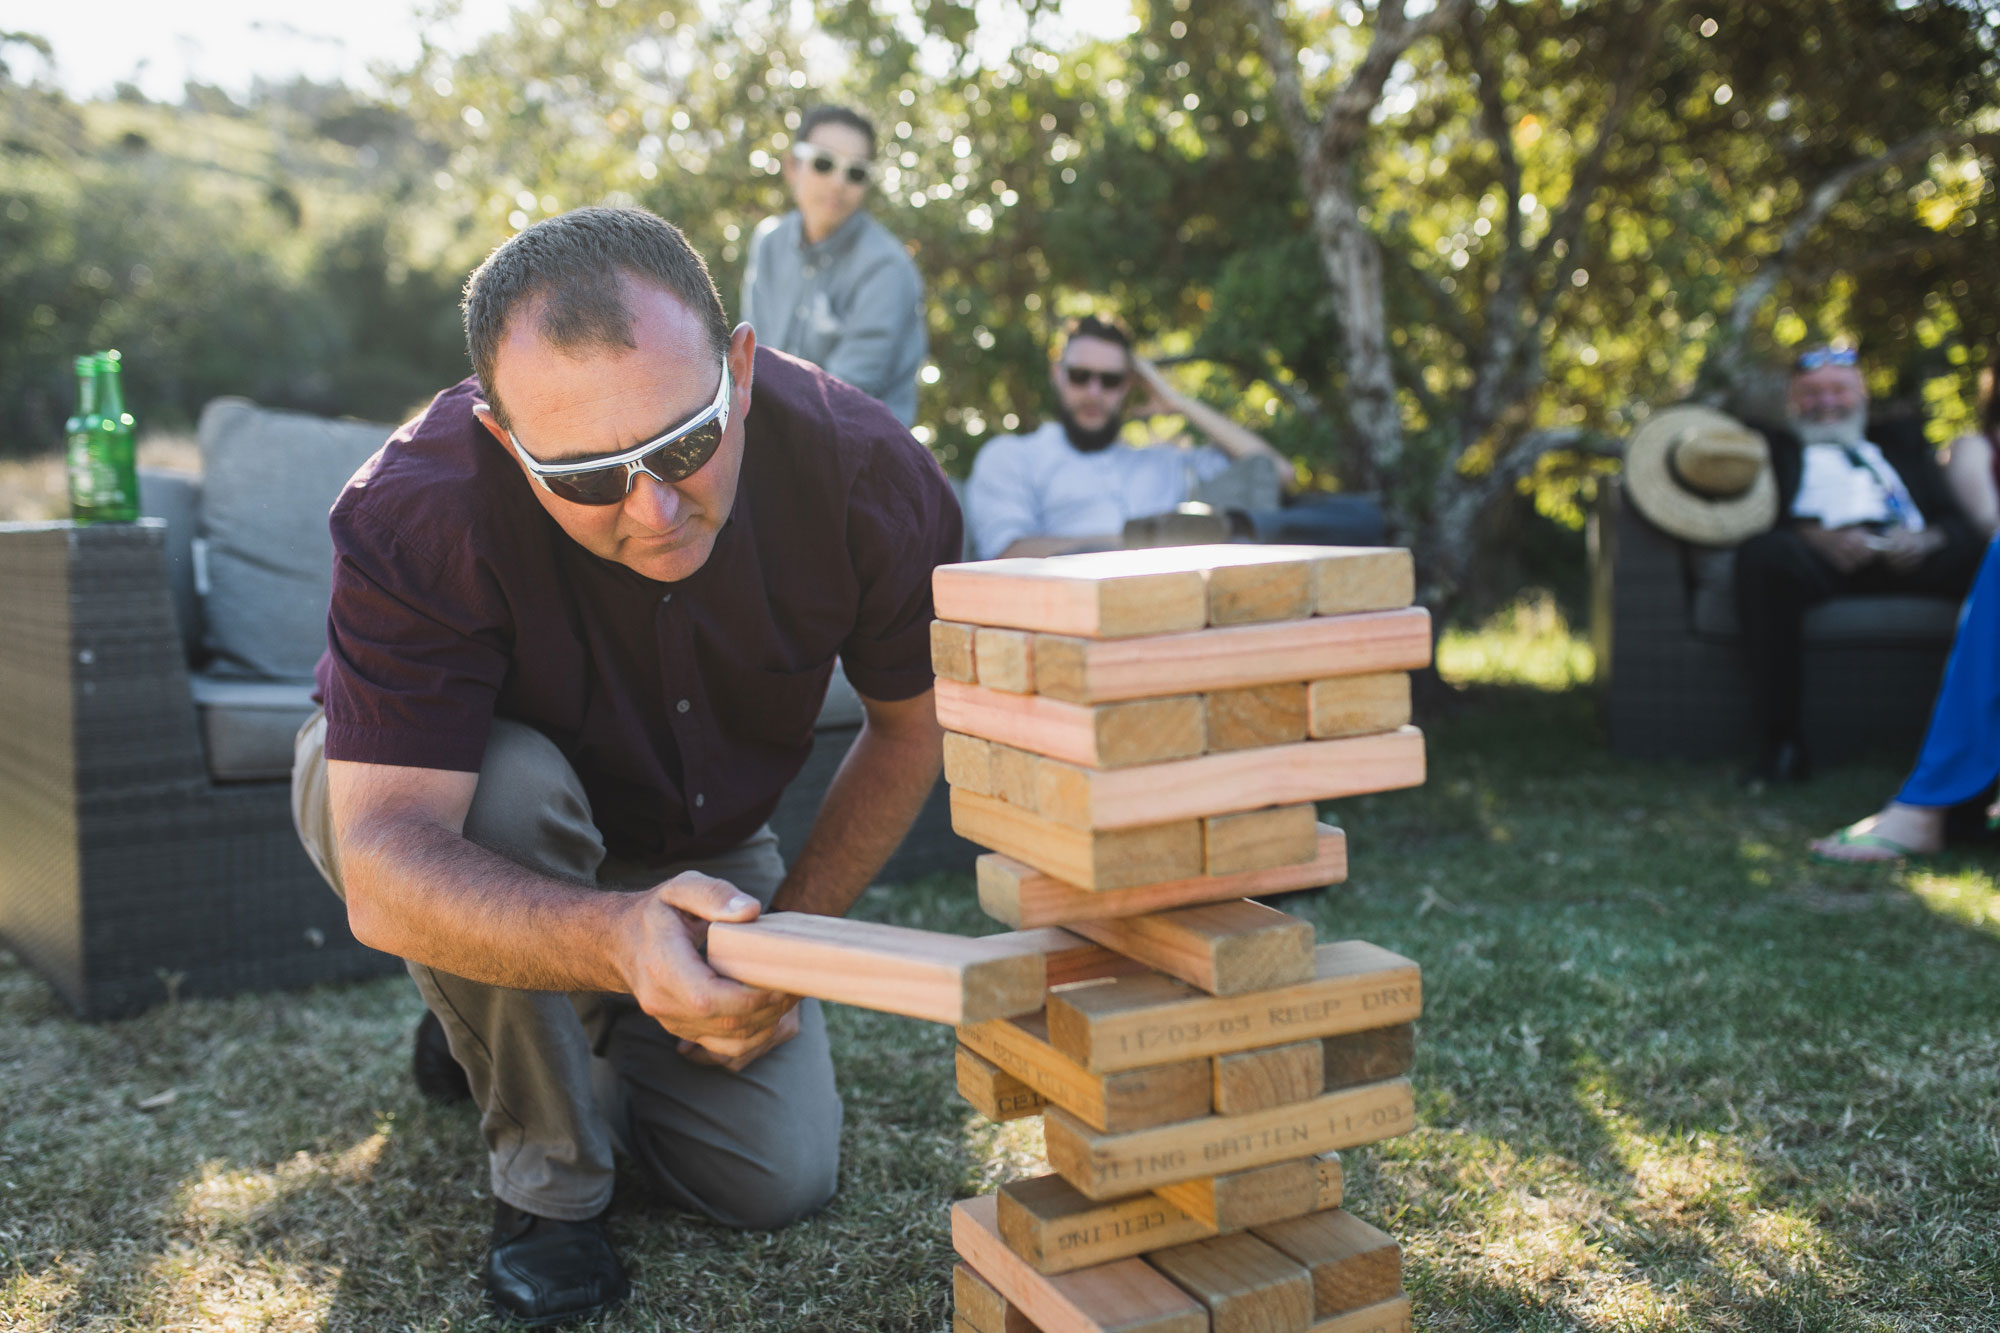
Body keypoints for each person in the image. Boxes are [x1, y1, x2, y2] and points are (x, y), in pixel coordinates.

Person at [289, 206, 959, 1326]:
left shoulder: (867, 469)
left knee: (775, 1179)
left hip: (695, 840)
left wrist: (780, 947)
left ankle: (498, 991)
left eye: (686, 444)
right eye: (588, 476)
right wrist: (607, 936)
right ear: (507, 441)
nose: (654, 510)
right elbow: (387, 854)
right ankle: (547, 1181)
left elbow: (910, 728)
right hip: (468, 805)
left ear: (738, 369)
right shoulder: (414, 508)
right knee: (509, 797)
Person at [1733, 344, 1984, 784]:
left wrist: (1927, 539)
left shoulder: (1903, 445)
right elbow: (1753, 518)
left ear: (1863, 395)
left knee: (1985, 554)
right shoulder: (1774, 449)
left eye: (1838, 390)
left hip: (1911, 556)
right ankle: (1783, 747)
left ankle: (1982, 746)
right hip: (1818, 558)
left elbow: (1955, 520)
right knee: (1763, 556)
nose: (1826, 402)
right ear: (1792, 401)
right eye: (1811, 393)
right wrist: (1815, 537)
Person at [1813, 351, 2000, 860]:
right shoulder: (1974, 449)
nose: (1825, 402)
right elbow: (1990, 525)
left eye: (1839, 389)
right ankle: (1929, 808)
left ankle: (1929, 809)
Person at [964, 314, 1293, 560]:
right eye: (1080, 376)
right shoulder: (1011, 456)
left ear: (1129, 387)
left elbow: (1276, 473)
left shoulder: (1164, 462)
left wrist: (1180, 403)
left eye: (1110, 381)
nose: (1094, 392)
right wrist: (1149, 540)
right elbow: (1007, 554)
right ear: (1057, 375)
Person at [739, 104, 926, 425]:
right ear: (792, 166)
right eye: (824, 163)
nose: (839, 182)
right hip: (770, 436)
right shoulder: (769, 242)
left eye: (855, 172)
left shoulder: (887, 268)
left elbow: (845, 397)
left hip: (858, 455)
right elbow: (754, 362)